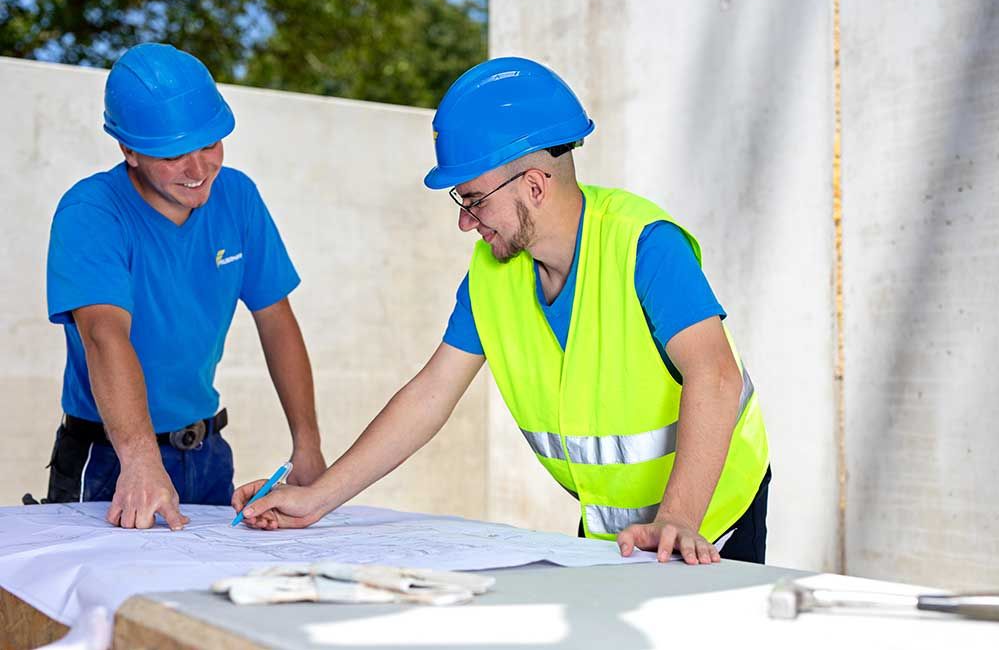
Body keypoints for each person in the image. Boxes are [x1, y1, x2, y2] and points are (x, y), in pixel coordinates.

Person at [233, 57, 771, 564]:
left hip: (709, 516)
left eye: (473, 199)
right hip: (615, 529)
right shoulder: (492, 274)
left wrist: (678, 519)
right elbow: (428, 396)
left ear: (534, 185)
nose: (466, 221)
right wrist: (318, 498)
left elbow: (716, 375)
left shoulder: (644, 245)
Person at [45, 43, 326, 531]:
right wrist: (139, 461)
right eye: (174, 155)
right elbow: (103, 336)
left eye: (210, 145)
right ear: (128, 149)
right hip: (110, 457)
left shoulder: (237, 197)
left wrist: (308, 446)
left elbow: (277, 321)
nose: (199, 171)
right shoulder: (90, 212)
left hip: (208, 455)